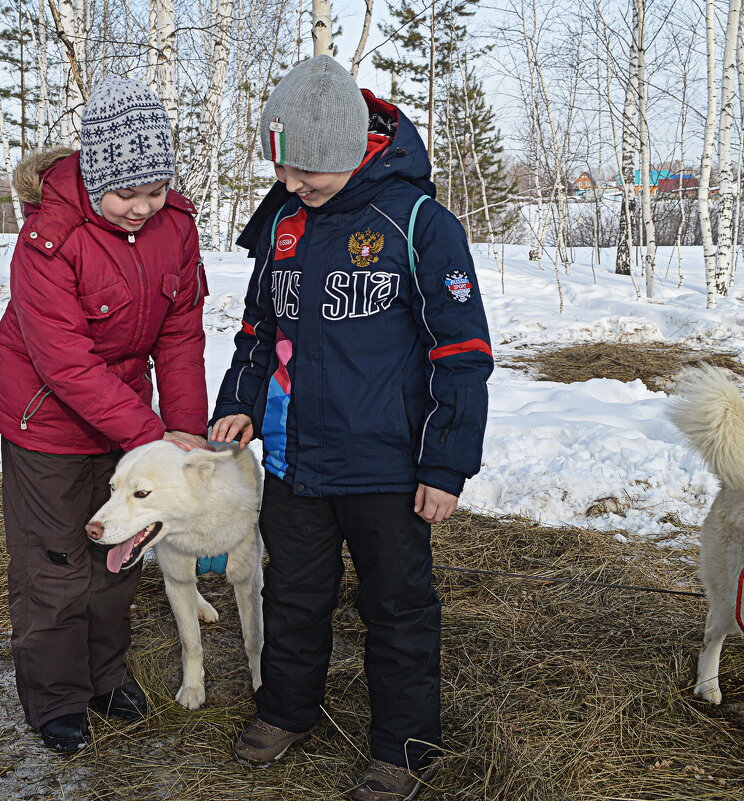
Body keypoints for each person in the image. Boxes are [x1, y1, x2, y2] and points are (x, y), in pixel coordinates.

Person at [210, 56, 492, 800]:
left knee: (396, 607)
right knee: (294, 596)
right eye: (282, 168)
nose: (291, 183)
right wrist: (237, 400)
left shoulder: (419, 224)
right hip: (294, 460)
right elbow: (255, 329)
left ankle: (401, 747)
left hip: (389, 466)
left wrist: (445, 464)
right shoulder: (281, 222)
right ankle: (287, 710)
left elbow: (462, 354)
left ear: (348, 152)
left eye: (306, 171)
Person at [0, 75, 209, 754]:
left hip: (125, 423)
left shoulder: (175, 227)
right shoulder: (48, 239)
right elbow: (66, 364)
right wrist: (153, 439)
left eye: (155, 190)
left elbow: (180, 334)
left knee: (119, 550)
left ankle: (106, 675)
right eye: (127, 193)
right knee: (55, 557)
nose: (143, 207)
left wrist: (187, 434)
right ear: (93, 177)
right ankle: (57, 697)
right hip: (47, 419)